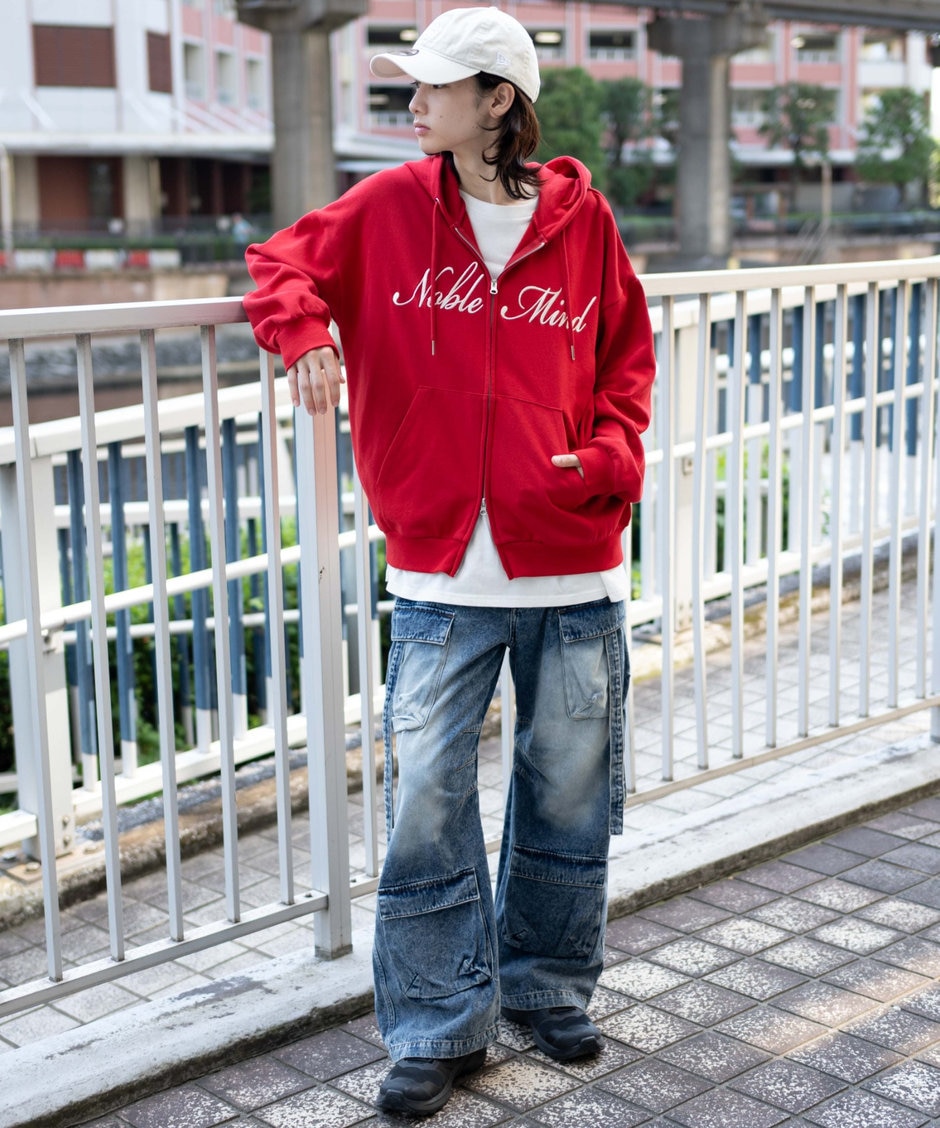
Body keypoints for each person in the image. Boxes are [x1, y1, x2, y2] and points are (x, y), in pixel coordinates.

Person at [242, 5, 656, 1116]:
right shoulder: (388, 206)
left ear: (497, 101)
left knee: (566, 792)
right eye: (410, 85)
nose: (413, 102)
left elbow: (627, 360)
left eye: (432, 86)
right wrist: (307, 333)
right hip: (437, 568)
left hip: (571, 559)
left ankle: (546, 988)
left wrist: (606, 459)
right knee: (426, 800)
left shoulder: (586, 222)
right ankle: (436, 1023)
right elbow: (278, 263)